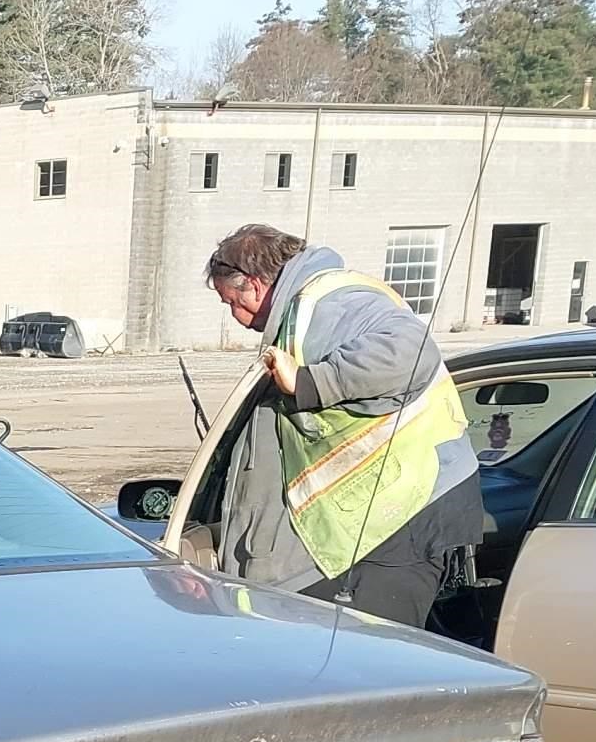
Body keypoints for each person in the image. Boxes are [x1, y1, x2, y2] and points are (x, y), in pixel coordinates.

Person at [202, 223, 480, 628]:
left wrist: (310, 383)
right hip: (382, 519)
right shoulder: (307, 311)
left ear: (256, 285)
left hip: (397, 521)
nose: (237, 317)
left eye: (232, 302)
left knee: (374, 669)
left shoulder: (325, 306)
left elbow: (409, 352)